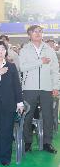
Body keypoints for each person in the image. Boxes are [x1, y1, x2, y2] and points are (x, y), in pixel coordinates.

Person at [19, 25, 59, 154]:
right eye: (35, 31)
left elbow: (55, 70)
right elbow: (22, 67)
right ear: (29, 34)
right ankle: (27, 142)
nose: (38, 33)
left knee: (48, 116)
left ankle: (47, 142)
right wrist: (39, 62)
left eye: (40, 31)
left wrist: (56, 87)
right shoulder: (25, 49)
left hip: (47, 88)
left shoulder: (49, 49)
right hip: (29, 88)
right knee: (27, 116)